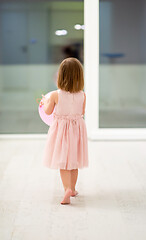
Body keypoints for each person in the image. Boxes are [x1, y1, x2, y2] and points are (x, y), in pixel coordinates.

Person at [40, 57, 89, 205]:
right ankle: (73, 188)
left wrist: (45, 102)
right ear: (80, 77)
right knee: (73, 162)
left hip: (61, 133)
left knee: (63, 162)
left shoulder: (56, 95)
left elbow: (48, 112)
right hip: (77, 131)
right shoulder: (82, 95)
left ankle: (66, 188)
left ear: (60, 76)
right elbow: (82, 111)